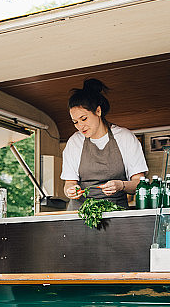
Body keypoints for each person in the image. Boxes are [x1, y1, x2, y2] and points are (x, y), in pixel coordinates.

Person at [61, 78, 149, 210]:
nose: (80, 126)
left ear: (98, 111)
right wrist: (70, 190)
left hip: (115, 212)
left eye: (83, 118)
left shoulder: (125, 137)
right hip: (80, 213)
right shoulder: (74, 142)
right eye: (75, 122)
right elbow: (69, 183)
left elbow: (139, 184)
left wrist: (121, 185)